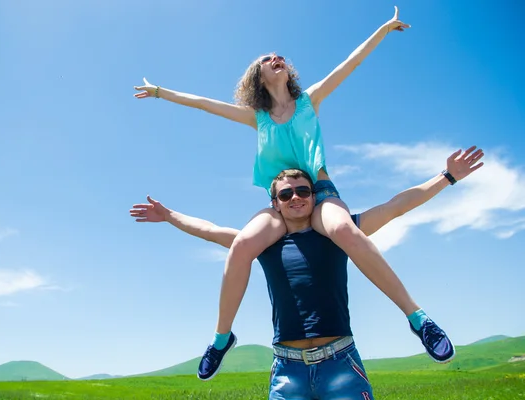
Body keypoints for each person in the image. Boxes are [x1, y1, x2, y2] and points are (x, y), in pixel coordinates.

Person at [133, 6, 450, 380]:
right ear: (258, 76)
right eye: (267, 59)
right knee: (241, 246)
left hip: (320, 191)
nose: (275, 59)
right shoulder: (257, 118)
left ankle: (417, 318)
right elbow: (204, 104)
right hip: (281, 200)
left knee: (347, 231)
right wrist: (159, 93)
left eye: (279, 56)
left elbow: (350, 63)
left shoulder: (309, 102)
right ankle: (222, 339)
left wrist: (382, 29)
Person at [130, 147, 483, 398]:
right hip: (287, 371)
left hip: (340, 363)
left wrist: (448, 176)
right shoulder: (262, 243)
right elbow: (208, 230)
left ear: (315, 196)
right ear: (275, 203)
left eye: (304, 190)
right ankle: (221, 340)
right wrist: (169, 215)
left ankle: (418, 320)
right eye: (287, 193)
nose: (296, 197)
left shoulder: (336, 232)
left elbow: (395, 207)